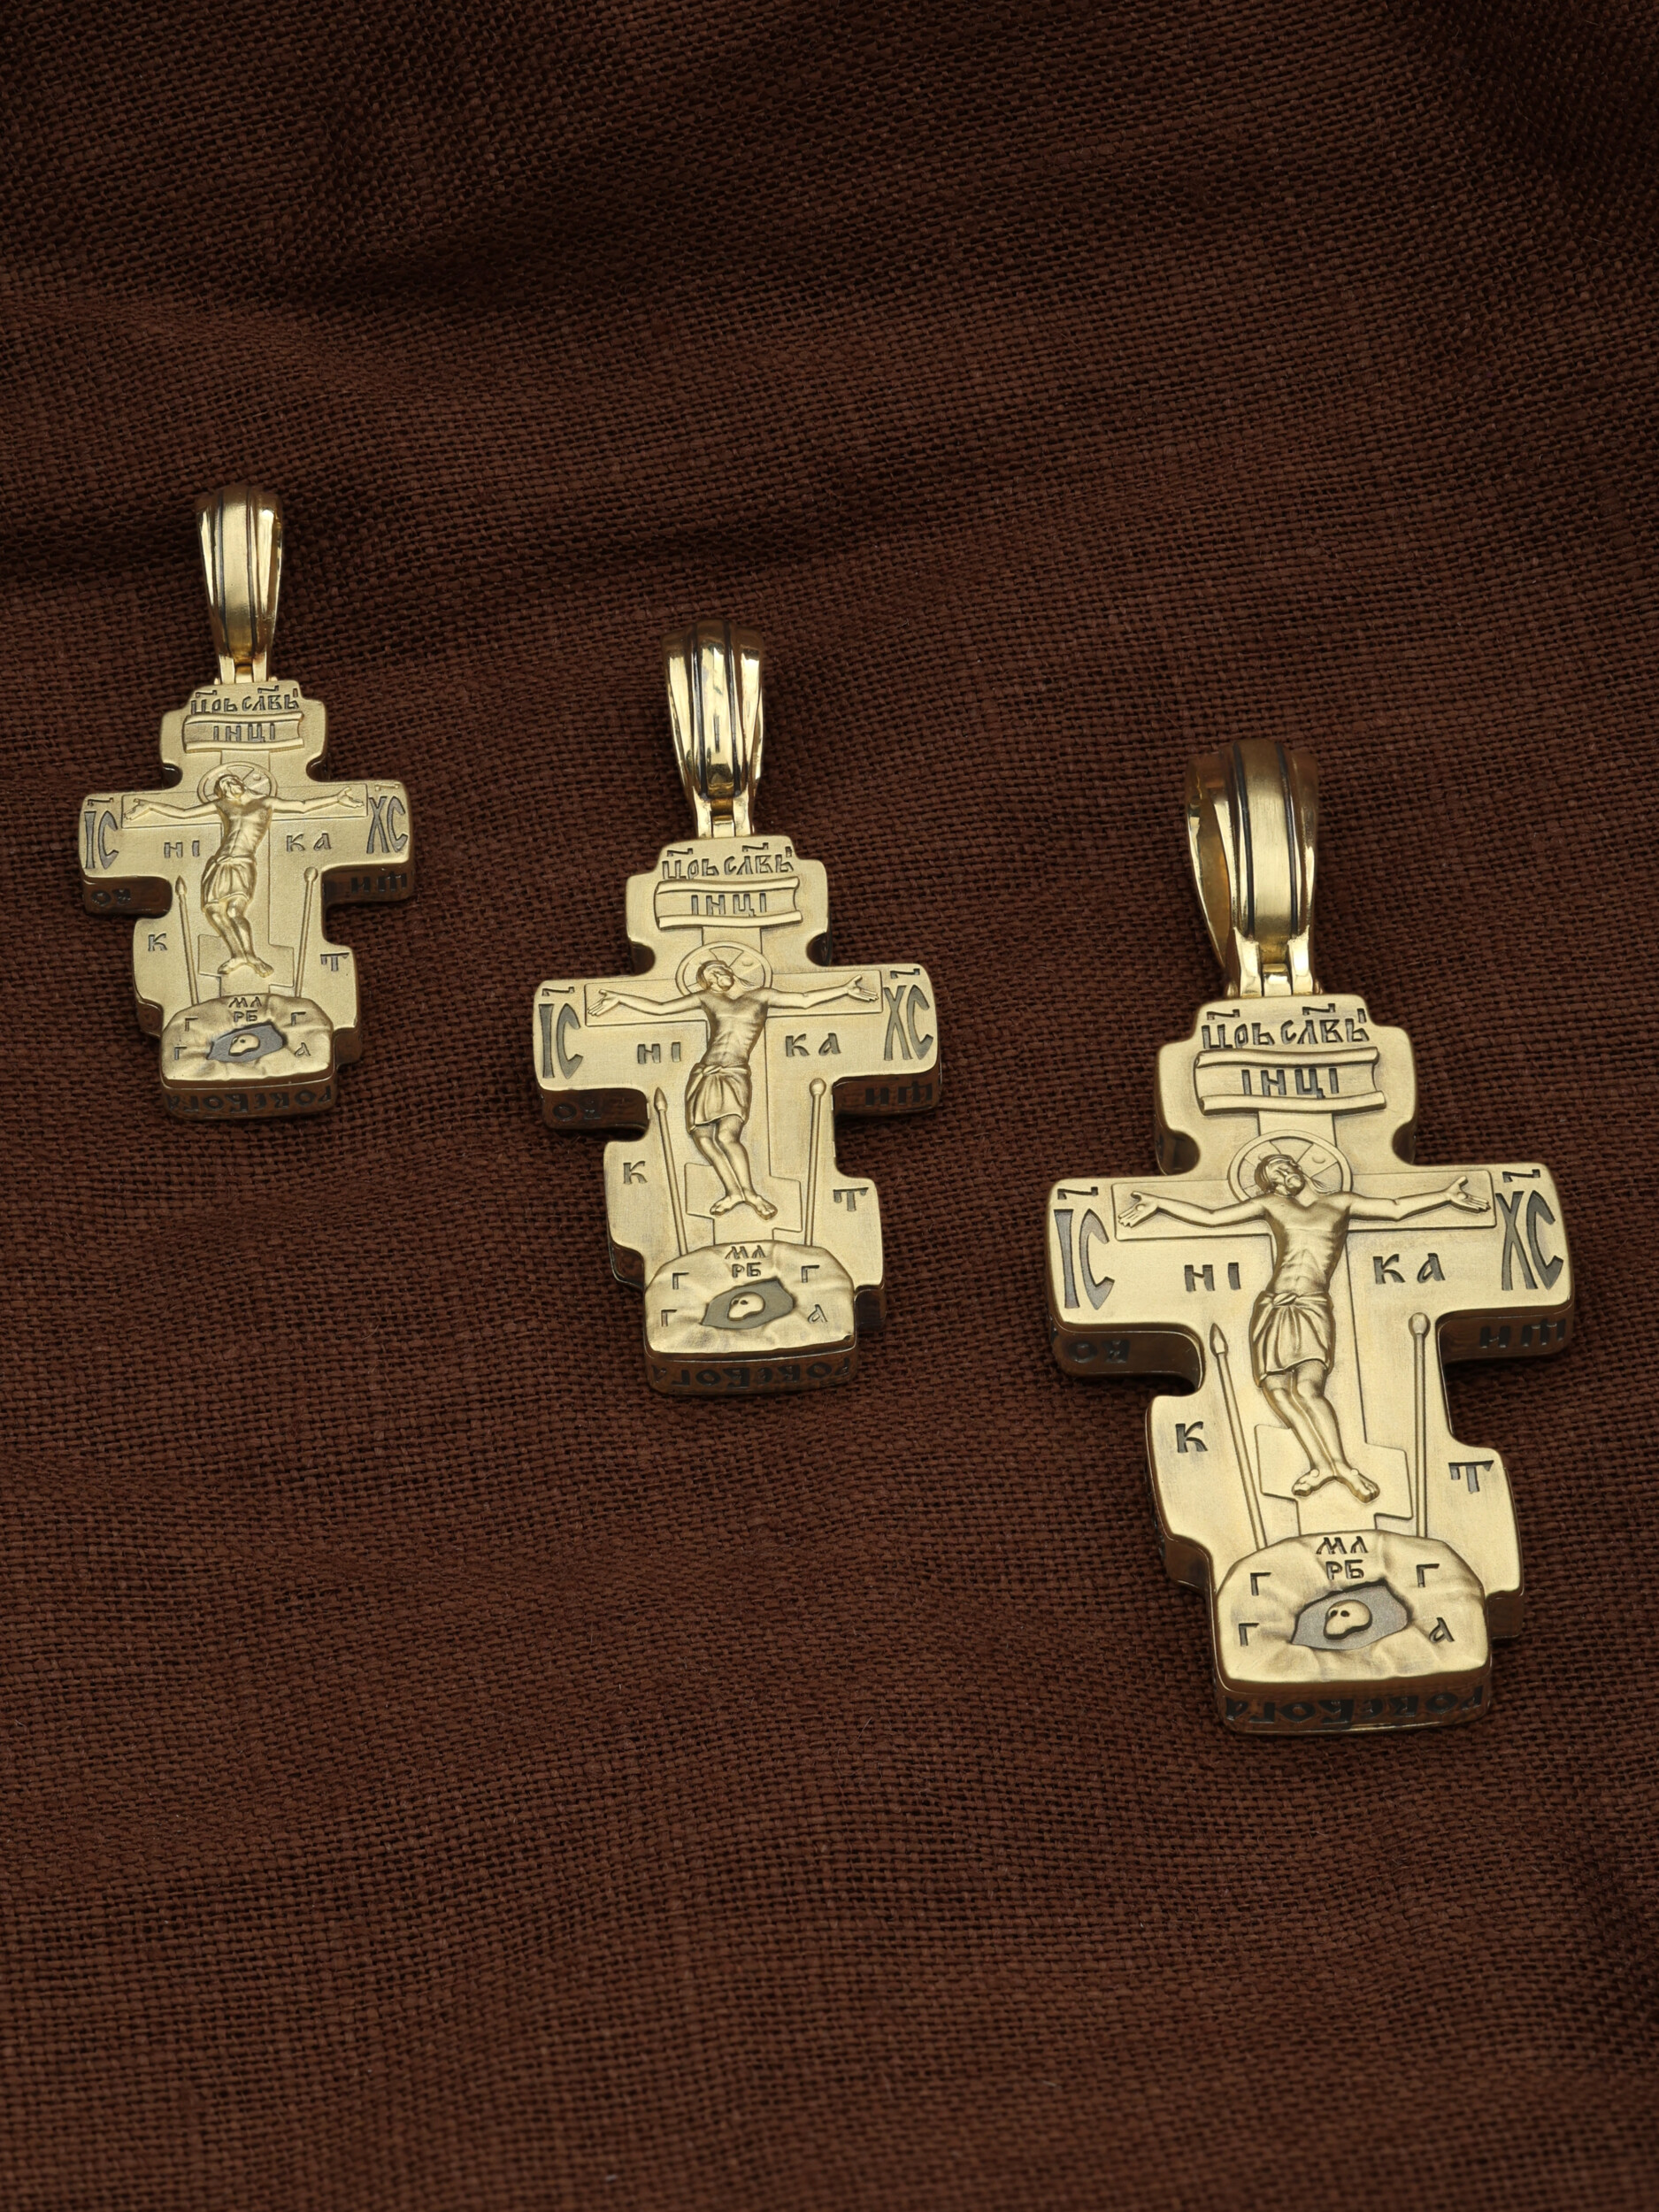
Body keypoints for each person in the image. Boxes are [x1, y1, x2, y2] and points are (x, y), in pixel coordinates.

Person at [1118, 1154, 1482, 1499]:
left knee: (1308, 1388)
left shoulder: (1340, 1203)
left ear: (1296, 1166)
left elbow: (1396, 1209)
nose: (1279, 1179)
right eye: (1271, 1179)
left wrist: (1445, 1197)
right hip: (1272, 1306)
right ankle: (1321, 1466)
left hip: (1310, 1304)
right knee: (1277, 1392)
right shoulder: (1272, 1205)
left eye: (1281, 1168)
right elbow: (1212, 1217)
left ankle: (1344, 1467)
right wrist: (1161, 1204)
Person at [592, 956, 874, 1217]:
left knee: (727, 1136)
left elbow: (803, 1000)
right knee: (703, 1139)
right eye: (709, 980)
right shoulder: (708, 999)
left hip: (734, 1073)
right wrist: (620, 998)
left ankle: (751, 1194)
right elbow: (660, 1009)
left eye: (716, 973)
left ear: (728, 969)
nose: (715, 981)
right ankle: (732, 1192)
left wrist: (844, 990)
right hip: (704, 1073)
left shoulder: (760, 996)